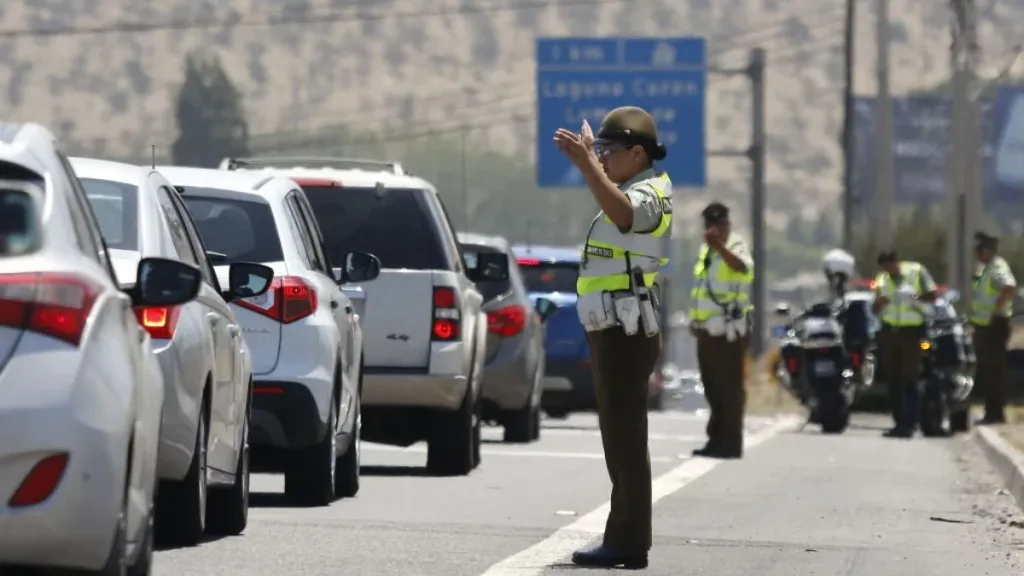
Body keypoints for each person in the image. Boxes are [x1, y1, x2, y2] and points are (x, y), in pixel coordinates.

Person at [552, 105, 671, 570]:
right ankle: (624, 537)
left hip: (626, 331)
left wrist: (586, 165)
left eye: (609, 150)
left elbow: (623, 214)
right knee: (620, 438)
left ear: (637, 153)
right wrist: (593, 164)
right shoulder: (633, 188)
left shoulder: (650, 194)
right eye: (597, 149)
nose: (601, 157)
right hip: (615, 328)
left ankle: (627, 541)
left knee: (625, 439)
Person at [688, 202, 754, 459]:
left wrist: (720, 247)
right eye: (709, 225)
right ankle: (715, 440)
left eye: (718, 224)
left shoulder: (735, 245)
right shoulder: (706, 251)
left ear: (727, 225)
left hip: (728, 333)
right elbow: (702, 289)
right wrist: (695, 320)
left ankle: (731, 443)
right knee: (712, 389)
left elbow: (742, 268)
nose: (713, 229)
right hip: (706, 331)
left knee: (729, 390)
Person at [872, 250, 937, 437]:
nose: (887, 270)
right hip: (889, 333)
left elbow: (933, 295)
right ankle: (899, 423)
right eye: (884, 267)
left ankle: (910, 422)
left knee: (910, 378)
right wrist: (880, 303)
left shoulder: (916, 271)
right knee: (893, 380)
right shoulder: (881, 279)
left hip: (911, 333)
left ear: (896, 261)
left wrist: (915, 297)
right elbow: (874, 308)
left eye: (889, 266)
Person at [970, 231, 1017, 424]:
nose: (977, 253)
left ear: (989, 250)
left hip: (994, 327)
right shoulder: (986, 268)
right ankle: (992, 411)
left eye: (980, 249)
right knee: (989, 372)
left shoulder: (997, 266)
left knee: (994, 372)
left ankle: (996, 413)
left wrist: (997, 311)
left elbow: (1009, 287)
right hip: (985, 327)